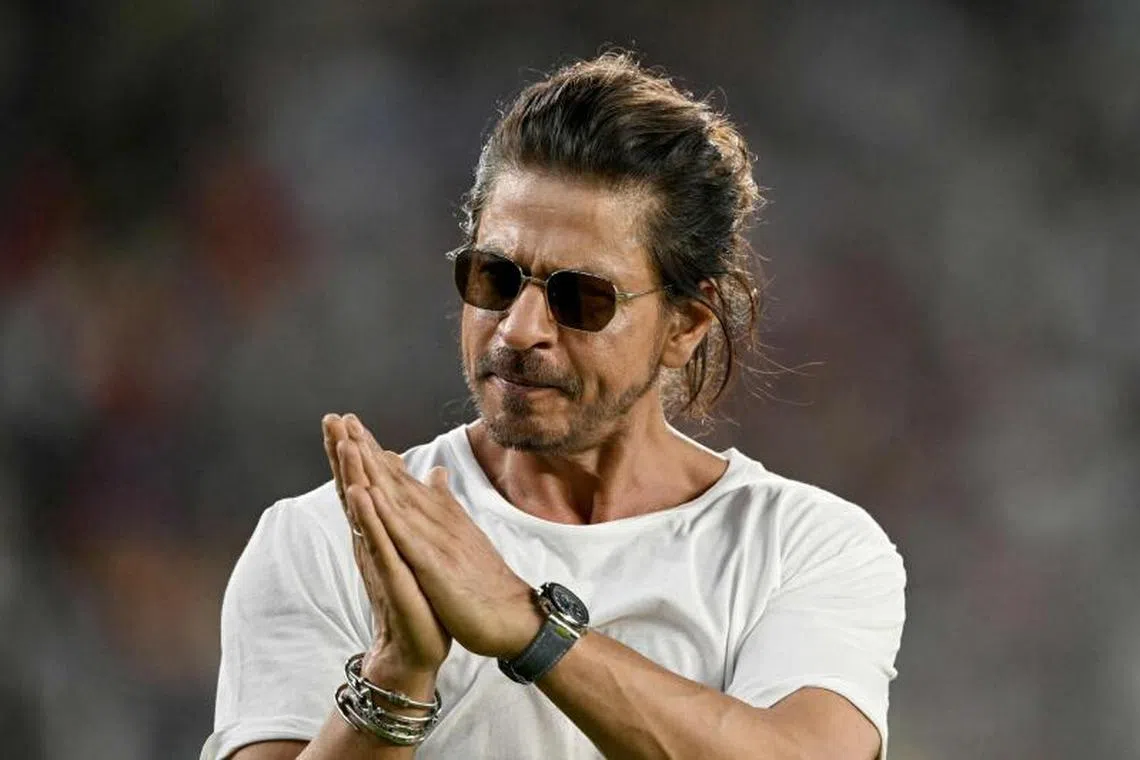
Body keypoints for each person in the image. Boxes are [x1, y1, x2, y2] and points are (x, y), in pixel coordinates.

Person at [201, 53, 906, 760]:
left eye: (582, 298)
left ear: (685, 326)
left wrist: (531, 629)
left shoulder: (802, 548)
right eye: (495, 276)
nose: (519, 329)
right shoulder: (330, 539)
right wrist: (397, 672)